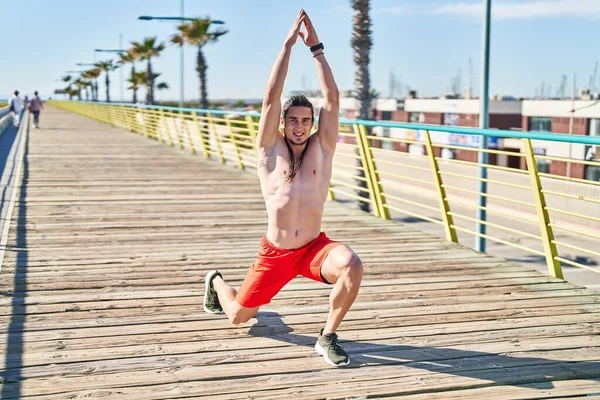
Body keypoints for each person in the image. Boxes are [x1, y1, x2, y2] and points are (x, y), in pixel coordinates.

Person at [203, 9, 363, 367]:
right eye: (293, 120)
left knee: (352, 264)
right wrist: (288, 45)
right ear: (284, 123)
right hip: (275, 254)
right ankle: (216, 282)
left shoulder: (322, 149)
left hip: (313, 249)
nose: (300, 127)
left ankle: (327, 337)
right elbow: (270, 98)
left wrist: (317, 49)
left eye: (306, 121)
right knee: (238, 318)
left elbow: (332, 99)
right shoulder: (269, 150)